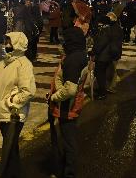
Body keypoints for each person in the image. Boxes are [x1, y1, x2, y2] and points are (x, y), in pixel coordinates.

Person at [0, 32, 36, 178]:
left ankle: (6, 174)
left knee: (8, 149)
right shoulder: (2, 64)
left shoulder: (23, 64)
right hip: (2, 113)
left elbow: (28, 91)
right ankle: (14, 173)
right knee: (11, 148)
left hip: (13, 114)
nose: (6, 45)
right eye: (6, 42)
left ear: (17, 44)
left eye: (9, 42)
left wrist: (11, 102)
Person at [48, 21, 89, 178]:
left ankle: (69, 172)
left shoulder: (73, 60)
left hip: (67, 105)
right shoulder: (79, 55)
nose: (62, 41)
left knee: (68, 139)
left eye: (65, 39)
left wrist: (54, 96)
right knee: (68, 137)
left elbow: (70, 89)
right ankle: (66, 166)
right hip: (72, 103)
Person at [91, 13, 122, 100]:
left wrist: (93, 52)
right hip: (107, 56)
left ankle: (102, 92)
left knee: (99, 73)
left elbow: (100, 44)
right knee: (103, 73)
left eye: (100, 23)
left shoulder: (105, 31)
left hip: (103, 56)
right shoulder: (109, 30)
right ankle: (103, 89)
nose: (98, 24)